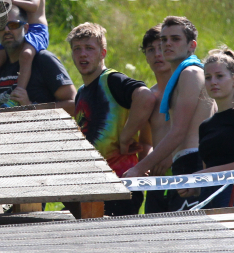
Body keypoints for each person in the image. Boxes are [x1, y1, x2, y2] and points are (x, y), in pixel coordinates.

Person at [124, 16, 216, 212]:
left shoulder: (191, 73)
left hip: (193, 162)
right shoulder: (181, 76)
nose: (167, 44)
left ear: (192, 45)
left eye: (175, 39)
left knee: (186, 237)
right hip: (183, 163)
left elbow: (179, 131)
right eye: (164, 39)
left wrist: (139, 168)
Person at [68, 22, 155, 216]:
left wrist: (126, 137)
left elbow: (146, 97)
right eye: (77, 49)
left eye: (89, 48)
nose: (83, 54)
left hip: (121, 182)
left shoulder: (111, 80)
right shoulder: (81, 92)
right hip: (93, 185)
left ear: (103, 53)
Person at [178, 47, 234, 208]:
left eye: (219, 76)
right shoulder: (205, 125)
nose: (213, 82)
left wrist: (206, 174)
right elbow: (209, 169)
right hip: (208, 198)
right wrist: (194, 187)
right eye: (208, 77)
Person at [0, 6, 74, 114]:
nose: (6, 30)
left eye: (13, 25)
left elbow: (74, 105)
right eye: (1, 26)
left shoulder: (43, 60)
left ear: (25, 28)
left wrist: (30, 107)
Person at [138, 24, 174, 213]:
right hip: (157, 182)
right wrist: (147, 162)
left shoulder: (188, 87)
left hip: (185, 175)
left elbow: (201, 132)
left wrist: (170, 157)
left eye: (161, 48)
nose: (157, 54)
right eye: (151, 50)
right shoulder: (149, 97)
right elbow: (145, 142)